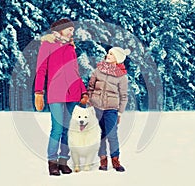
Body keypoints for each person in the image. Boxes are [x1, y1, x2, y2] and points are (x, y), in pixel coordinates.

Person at [34, 18, 88, 176]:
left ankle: (64, 161)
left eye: (73, 30)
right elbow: (41, 69)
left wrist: (83, 91)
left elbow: (75, 72)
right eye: (70, 29)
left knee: (66, 129)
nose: (72, 32)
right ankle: (52, 162)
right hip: (56, 92)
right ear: (61, 29)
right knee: (57, 129)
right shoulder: (47, 45)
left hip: (72, 93)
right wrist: (39, 92)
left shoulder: (71, 48)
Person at [88, 47, 130, 172]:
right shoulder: (98, 70)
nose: (108, 55)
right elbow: (90, 86)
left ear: (117, 58)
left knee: (112, 135)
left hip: (111, 109)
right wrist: (90, 101)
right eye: (108, 53)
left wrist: (120, 112)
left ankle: (115, 161)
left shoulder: (122, 76)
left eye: (111, 54)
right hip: (96, 107)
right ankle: (103, 161)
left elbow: (124, 96)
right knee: (101, 134)